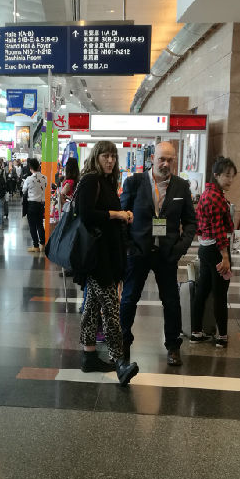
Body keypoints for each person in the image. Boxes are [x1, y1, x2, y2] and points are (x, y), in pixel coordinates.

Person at [120, 141, 197, 367]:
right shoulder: (134, 183)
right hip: (138, 251)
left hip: (167, 254)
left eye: (170, 160)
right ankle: (123, 342)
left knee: (171, 301)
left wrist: (179, 248)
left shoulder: (181, 187)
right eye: (162, 159)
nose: (165, 164)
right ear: (152, 158)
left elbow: (190, 222)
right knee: (129, 298)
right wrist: (129, 246)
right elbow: (122, 218)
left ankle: (173, 346)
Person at [76, 141, 139, 386]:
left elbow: (106, 214)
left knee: (92, 307)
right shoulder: (91, 180)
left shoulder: (107, 182)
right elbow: (85, 214)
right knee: (112, 308)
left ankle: (88, 356)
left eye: (113, 156)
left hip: (106, 255)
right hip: (96, 257)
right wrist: (117, 214)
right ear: (96, 157)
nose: (110, 160)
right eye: (105, 155)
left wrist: (124, 216)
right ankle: (120, 361)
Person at [191, 157, 237, 348]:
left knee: (202, 291)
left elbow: (200, 226)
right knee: (220, 294)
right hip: (217, 250)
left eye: (232, 176)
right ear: (216, 175)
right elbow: (219, 231)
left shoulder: (207, 193)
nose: (230, 180)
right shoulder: (216, 197)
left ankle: (196, 332)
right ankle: (222, 336)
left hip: (205, 248)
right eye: (227, 175)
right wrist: (225, 257)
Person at [23, 157, 47, 252]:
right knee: (40, 224)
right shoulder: (45, 178)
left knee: (32, 226)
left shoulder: (28, 179)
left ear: (30, 168)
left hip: (31, 205)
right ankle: (43, 244)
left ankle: (36, 246)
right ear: (39, 167)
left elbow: (24, 190)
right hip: (41, 205)